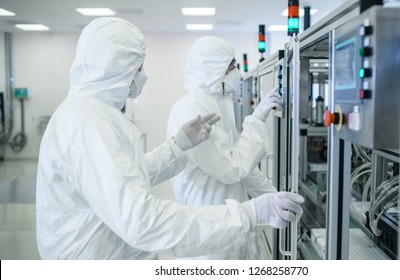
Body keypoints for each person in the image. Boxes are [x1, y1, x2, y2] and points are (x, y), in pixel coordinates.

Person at [35, 17, 304, 260]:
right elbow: (140, 220)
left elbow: (132, 173)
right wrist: (247, 214)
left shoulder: (96, 114)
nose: (143, 75)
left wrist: (178, 146)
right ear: (115, 68)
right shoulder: (88, 122)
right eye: (138, 68)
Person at [167, 36, 284, 260]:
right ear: (214, 68)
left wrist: (272, 196)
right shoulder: (192, 108)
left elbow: (242, 161)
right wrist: (257, 119)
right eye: (232, 66)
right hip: (208, 224)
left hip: (227, 219)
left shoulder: (218, 103)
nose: (236, 71)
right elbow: (232, 168)